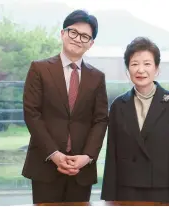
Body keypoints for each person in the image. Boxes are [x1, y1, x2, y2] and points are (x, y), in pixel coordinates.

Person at [22, 10, 108, 204]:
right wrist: (54, 154)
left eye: (85, 36)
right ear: (63, 33)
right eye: (73, 32)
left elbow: (101, 119)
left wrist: (87, 157)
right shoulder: (39, 69)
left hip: (81, 168)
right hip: (45, 164)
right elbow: (32, 114)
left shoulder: (97, 77)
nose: (78, 39)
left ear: (91, 43)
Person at [101, 37, 169, 203]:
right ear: (127, 70)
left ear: (157, 69)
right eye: (134, 64)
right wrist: (109, 196)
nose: (140, 70)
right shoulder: (118, 105)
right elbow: (111, 153)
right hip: (126, 190)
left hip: (162, 190)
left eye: (147, 64)